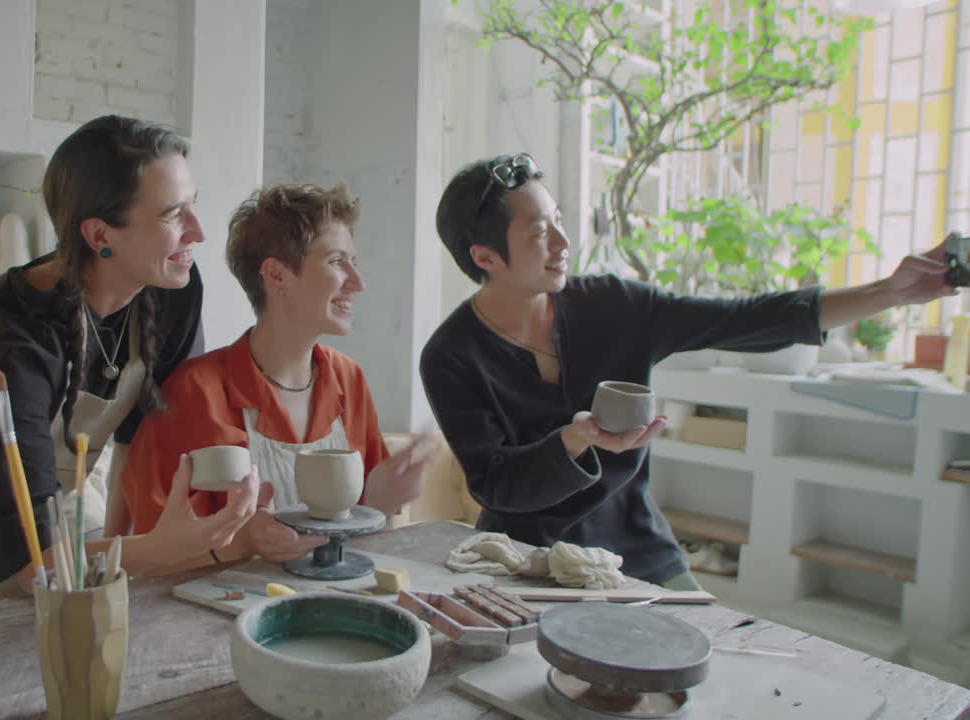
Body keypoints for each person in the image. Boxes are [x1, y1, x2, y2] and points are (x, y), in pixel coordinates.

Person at [420, 152, 959, 589]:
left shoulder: (614, 306)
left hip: (634, 545)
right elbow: (496, 485)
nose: (563, 244)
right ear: (486, 257)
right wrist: (571, 442)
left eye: (560, 221)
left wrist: (891, 291)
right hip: (526, 559)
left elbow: (747, 320)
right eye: (540, 233)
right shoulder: (451, 355)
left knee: (703, 663)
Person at [0, 115, 258, 594]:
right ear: (100, 235)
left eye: (194, 206)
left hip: (73, 535)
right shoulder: (8, 329)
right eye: (174, 215)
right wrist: (156, 549)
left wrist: (123, 548)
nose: (199, 231)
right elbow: (27, 561)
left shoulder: (171, 290)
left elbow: (146, 441)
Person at [122, 183, 438, 564]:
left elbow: (359, 545)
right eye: (337, 262)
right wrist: (241, 542)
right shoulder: (194, 393)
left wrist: (381, 504)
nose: (357, 282)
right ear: (277, 275)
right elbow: (149, 554)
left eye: (354, 261)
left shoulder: (348, 380)